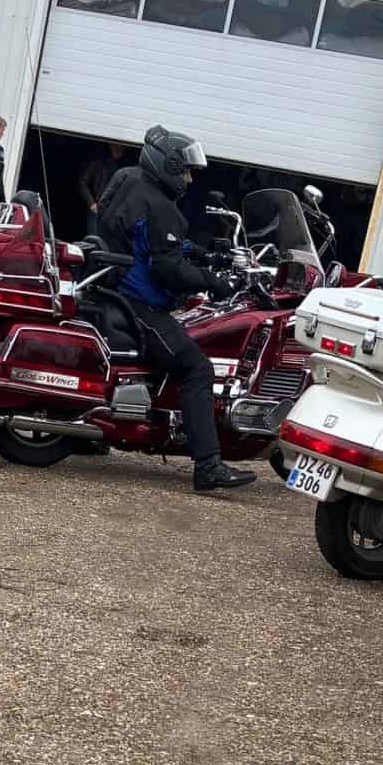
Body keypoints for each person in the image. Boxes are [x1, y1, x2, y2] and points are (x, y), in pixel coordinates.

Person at [92, 125, 253, 499]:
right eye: (186, 171)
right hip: (141, 304)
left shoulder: (128, 178)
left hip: (111, 289)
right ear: (170, 166)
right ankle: (208, 466)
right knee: (197, 369)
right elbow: (167, 268)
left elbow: (153, 240)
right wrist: (213, 281)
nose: (189, 179)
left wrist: (203, 254)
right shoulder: (161, 205)